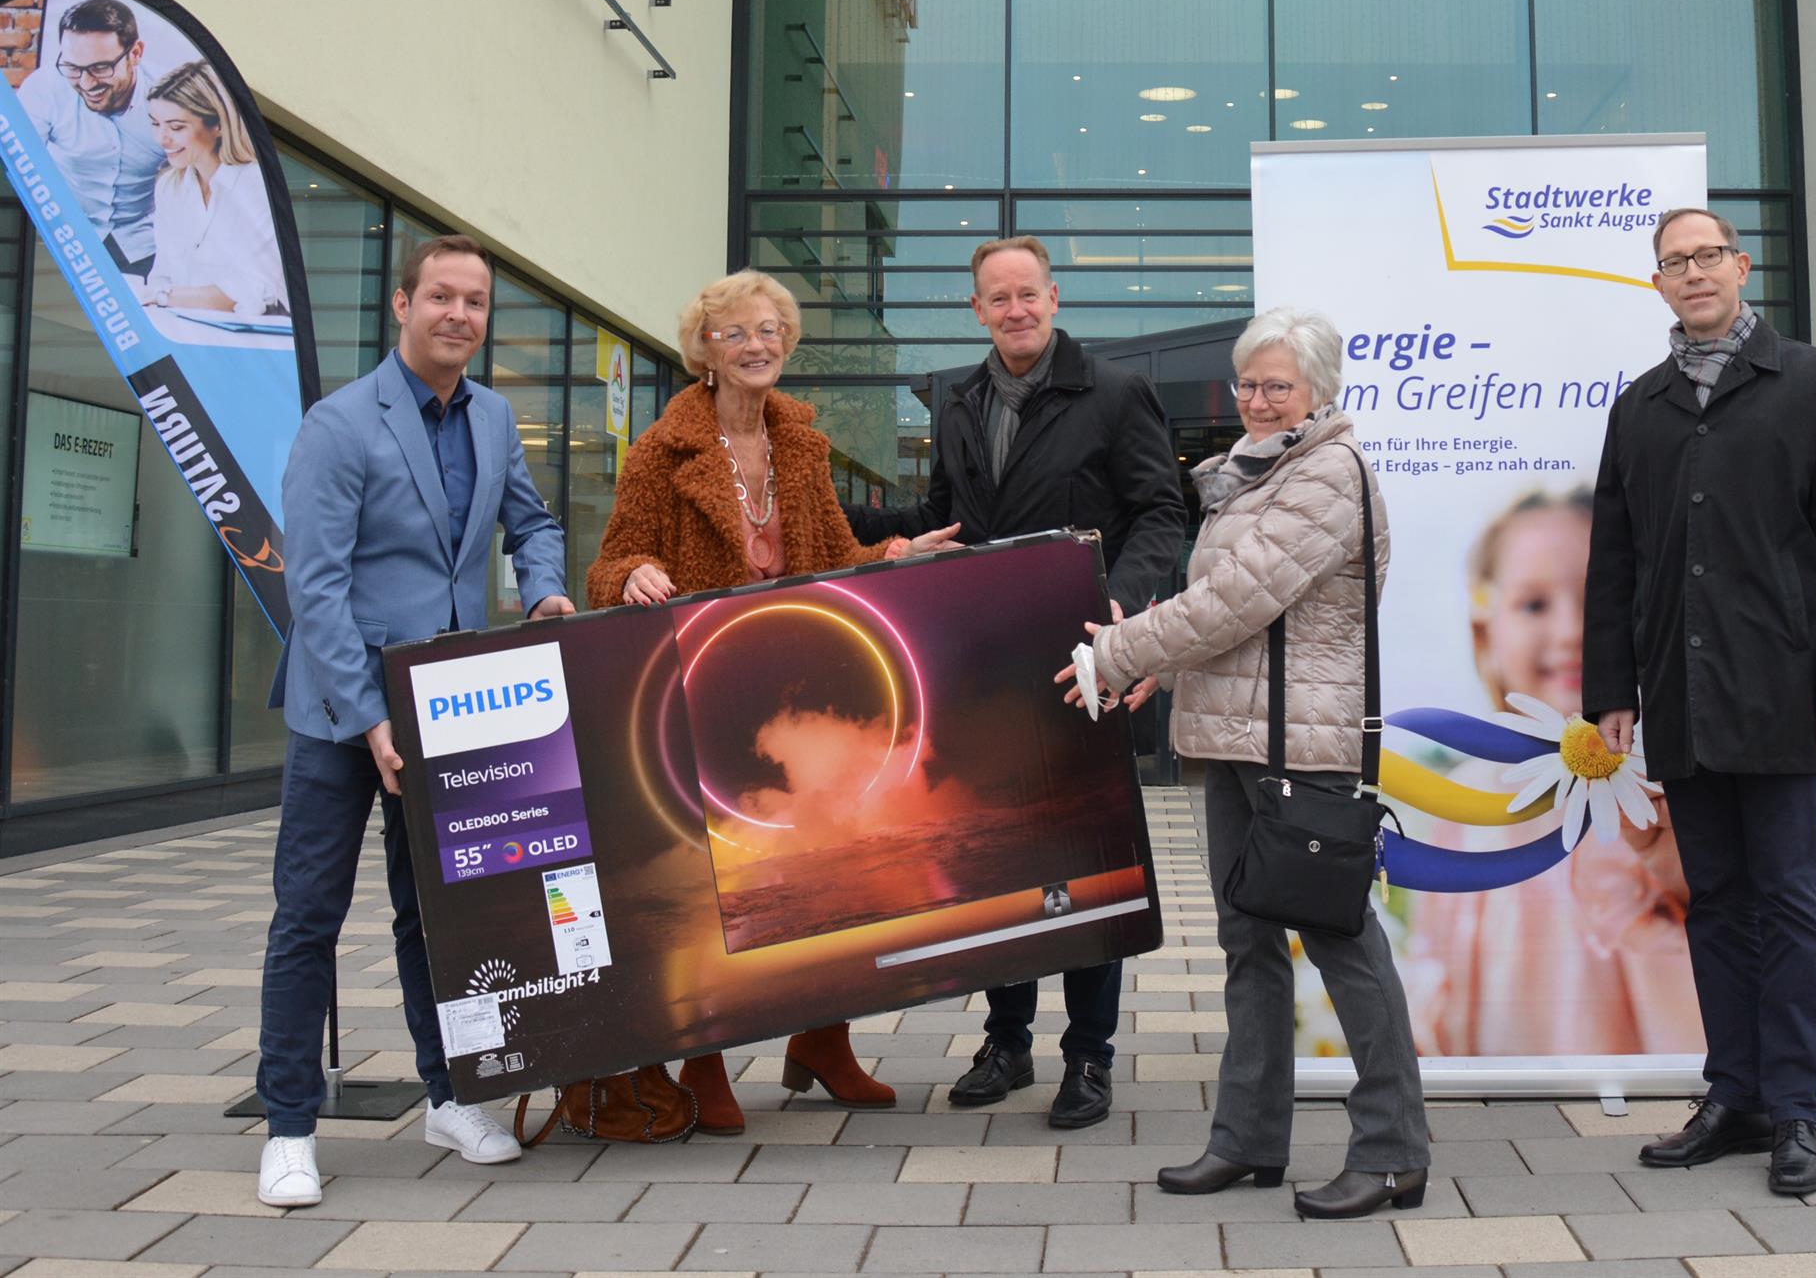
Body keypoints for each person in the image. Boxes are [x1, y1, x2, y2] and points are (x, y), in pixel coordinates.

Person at [1066, 307, 1430, 1218]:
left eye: (1278, 385)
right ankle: (1249, 1138)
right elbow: (1235, 619)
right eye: (1248, 383)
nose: (1258, 399)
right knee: (1245, 943)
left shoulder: (1329, 472)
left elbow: (1235, 597)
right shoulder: (1251, 473)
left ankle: (1392, 1150)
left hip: (1300, 744)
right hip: (1233, 740)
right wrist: (1166, 666)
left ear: (1319, 392)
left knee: (1342, 941)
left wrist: (1122, 653)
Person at [584, 269, 959, 1136]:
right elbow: (611, 562)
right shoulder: (660, 451)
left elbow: (833, 553)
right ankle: (705, 1058)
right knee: (719, 877)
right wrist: (632, 571)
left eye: (770, 331)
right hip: (704, 687)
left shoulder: (803, 444)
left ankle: (823, 1040)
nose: (756, 345)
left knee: (825, 867)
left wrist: (898, 554)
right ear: (704, 351)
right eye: (735, 333)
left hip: (799, 683)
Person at [257, 234, 574, 1208]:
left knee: (439, 915)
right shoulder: (341, 425)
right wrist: (368, 718)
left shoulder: (491, 417)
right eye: (441, 296)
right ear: (403, 306)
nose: (459, 315)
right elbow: (314, 586)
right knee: (309, 915)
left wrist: (544, 596)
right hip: (337, 712)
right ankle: (289, 1126)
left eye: (474, 302)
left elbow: (534, 524)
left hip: (446, 710)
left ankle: (452, 1094)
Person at [845, 235, 1185, 1130]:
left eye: (1028, 293)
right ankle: (1007, 1041)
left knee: (1087, 856)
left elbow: (1160, 510)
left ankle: (1090, 1056)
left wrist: (1122, 612)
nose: (1016, 309)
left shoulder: (1114, 394)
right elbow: (942, 518)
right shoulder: (961, 401)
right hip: (983, 668)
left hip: (1082, 660)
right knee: (995, 857)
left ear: (1054, 296)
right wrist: (843, 520)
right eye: (998, 298)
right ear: (978, 310)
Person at [1585, 207, 1816, 1197]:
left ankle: (1796, 1109)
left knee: (1789, 903)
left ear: (1740, 266)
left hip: (1786, 694)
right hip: (1682, 694)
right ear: (1659, 285)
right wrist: (1610, 696)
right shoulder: (1641, 405)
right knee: (1713, 903)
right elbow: (1615, 564)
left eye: (1708, 255)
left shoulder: (1805, 381)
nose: (1693, 273)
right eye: (1674, 263)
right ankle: (1737, 1094)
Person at [1406, 489, 1704, 1058]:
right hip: (1492, 1087)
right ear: (1484, 635)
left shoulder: (1662, 781)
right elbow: (1436, 966)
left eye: (1599, 603)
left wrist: (1673, 869)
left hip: (1649, 1074)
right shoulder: (1462, 798)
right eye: (1535, 604)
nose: (1571, 631)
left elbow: (1726, 918)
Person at [16, 0, 165, 275]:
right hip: (61, 238)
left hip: (144, 244)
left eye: (100, 68)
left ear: (135, 53)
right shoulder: (44, 88)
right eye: (73, 67)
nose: (86, 83)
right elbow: (18, 164)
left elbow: (195, 181)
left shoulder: (169, 96)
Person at [138, 60, 287, 317]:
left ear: (217, 125)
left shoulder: (255, 185)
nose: (162, 138)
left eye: (176, 127)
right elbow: (161, 276)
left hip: (254, 345)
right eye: (155, 123)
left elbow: (256, 290)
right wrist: (162, 295)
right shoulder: (169, 187)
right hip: (188, 339)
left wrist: (164, 297)